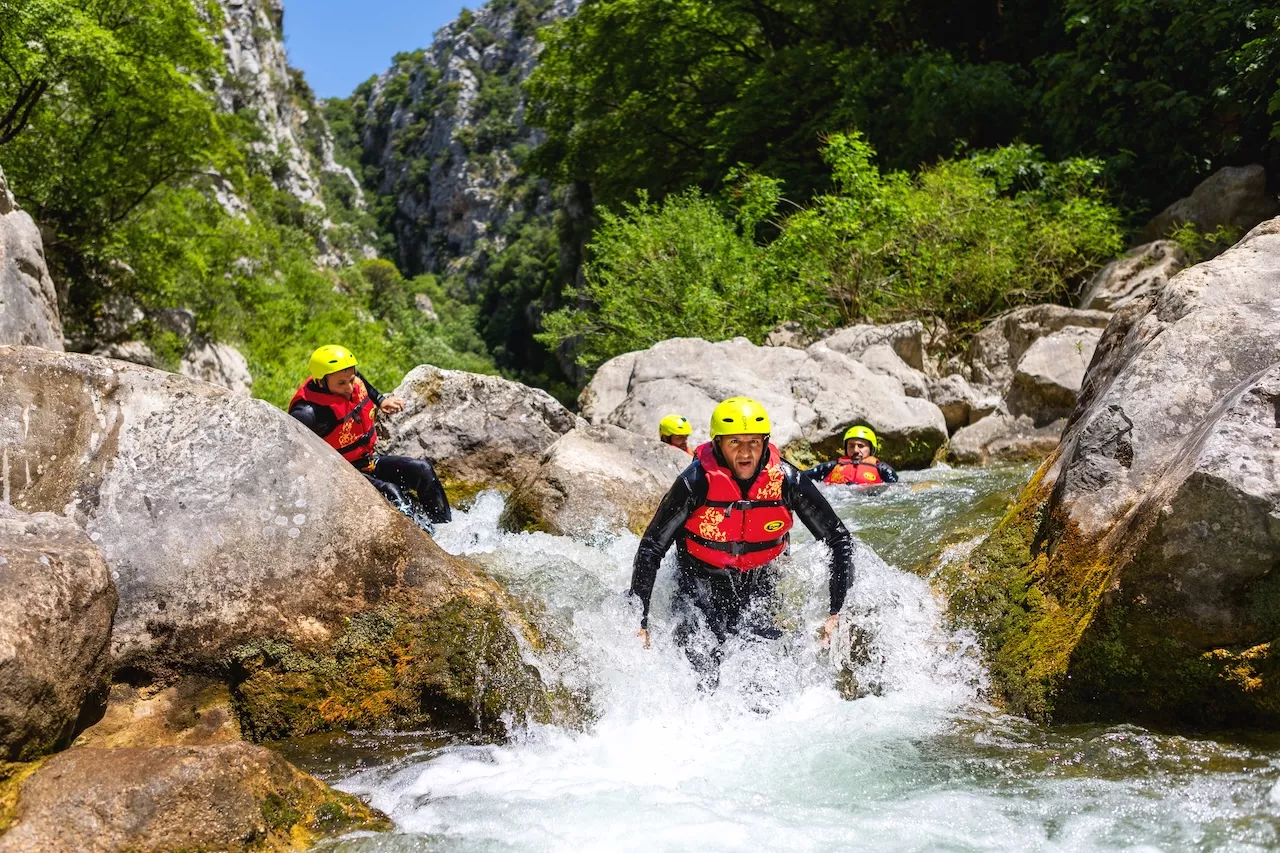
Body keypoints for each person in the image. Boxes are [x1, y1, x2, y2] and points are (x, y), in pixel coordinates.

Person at [629, 397, 856, 686]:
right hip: (697, 582)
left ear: (765, 443)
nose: (746, 453)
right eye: (735, 442)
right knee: (701, 675)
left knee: (760, 676)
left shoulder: (788, 481)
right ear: (718, 444)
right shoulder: (695, 482)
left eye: (754, 442)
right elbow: (651, 547)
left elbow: (839, 539)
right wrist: (639, 621)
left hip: (759, 582)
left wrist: (837, 611)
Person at [289, 345, 451, 525]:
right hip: (340, 475)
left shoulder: (347, 380)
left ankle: (445, 528)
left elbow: (360, 381)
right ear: (320, 382)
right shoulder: (307, 413)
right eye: (341, 384)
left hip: (368, 462)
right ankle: (427, 542)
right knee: (392, 493)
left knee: (422, 469)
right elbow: (291, 452)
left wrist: (381, 400)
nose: (350, 388)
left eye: (351, 379)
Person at [804, 425, 899, 486]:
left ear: (871, 449)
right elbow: (803, 476)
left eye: (861, 446)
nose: (856, 450)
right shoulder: (832, 466)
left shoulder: (881, 468)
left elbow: (896, 487)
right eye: (851, 446)